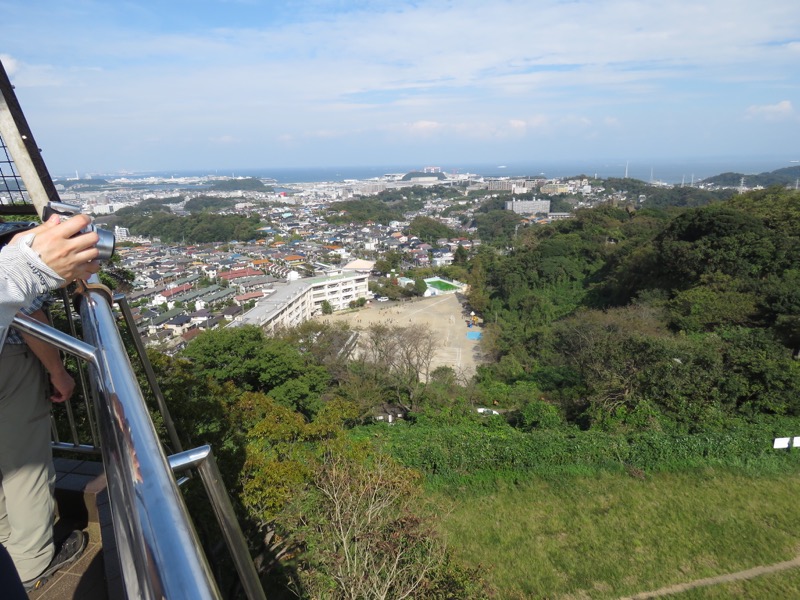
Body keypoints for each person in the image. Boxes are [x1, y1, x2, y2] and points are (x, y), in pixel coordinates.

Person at [0, 214, 100, 591]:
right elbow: (27, 313)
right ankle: (29, 564)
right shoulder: (16, 252)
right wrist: (59, 371)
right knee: (24, 462)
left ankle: (5, 537)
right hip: (9, 362)